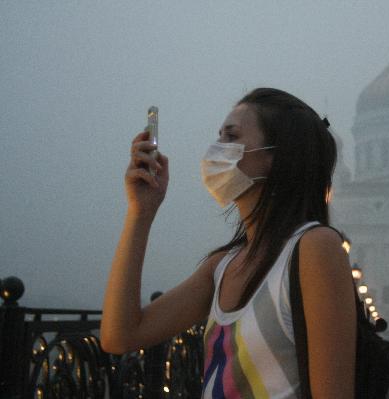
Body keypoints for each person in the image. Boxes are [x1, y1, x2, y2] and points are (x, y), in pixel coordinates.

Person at [100, 88, 357, 398]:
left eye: (231, 137)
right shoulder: (222, 266)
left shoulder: (314, 248)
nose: (215, 149)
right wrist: (141, 213)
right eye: (218, 136)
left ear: (275, 156)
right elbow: (120, 335)